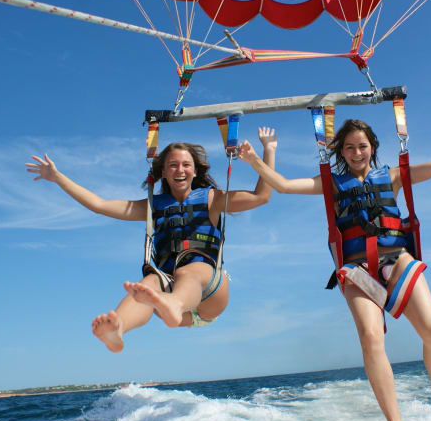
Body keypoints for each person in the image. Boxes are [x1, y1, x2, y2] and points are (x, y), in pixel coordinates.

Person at [238, 111, 431, 421]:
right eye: (349, 148)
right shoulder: (331, 184)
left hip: (396, 259)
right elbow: (284, 186)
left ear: (372, 148)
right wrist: (256, 159)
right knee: (371, 338)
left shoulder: (393, 176)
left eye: (362, 146)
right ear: (341, 153)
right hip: (356, 269)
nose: (357, 153)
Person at [26, 127, 277, 353]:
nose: (180, 170)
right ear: (163, 173)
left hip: (209, 293)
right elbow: (99, 205)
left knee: (190, 271)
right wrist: (58, 178)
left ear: (195, 170)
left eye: (186, 164)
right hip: (168, 295)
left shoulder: (211, 199)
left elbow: (261, 196)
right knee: (147, 283)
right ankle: (118, 328)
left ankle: (174, 304)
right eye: (173, 165)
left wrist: (268, 151)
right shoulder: (153, 207)